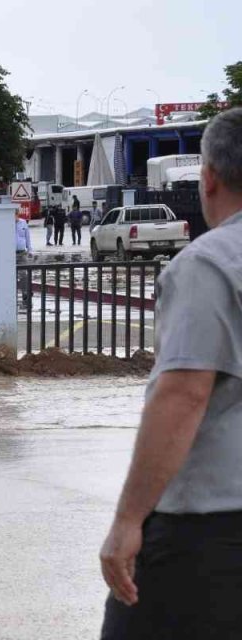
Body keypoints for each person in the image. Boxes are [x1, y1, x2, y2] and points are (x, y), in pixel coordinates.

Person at [99, 108, 242, 638]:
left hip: (210, 531)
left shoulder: (210, 264)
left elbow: (182, 393)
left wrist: (127, 521)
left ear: (209, 177)